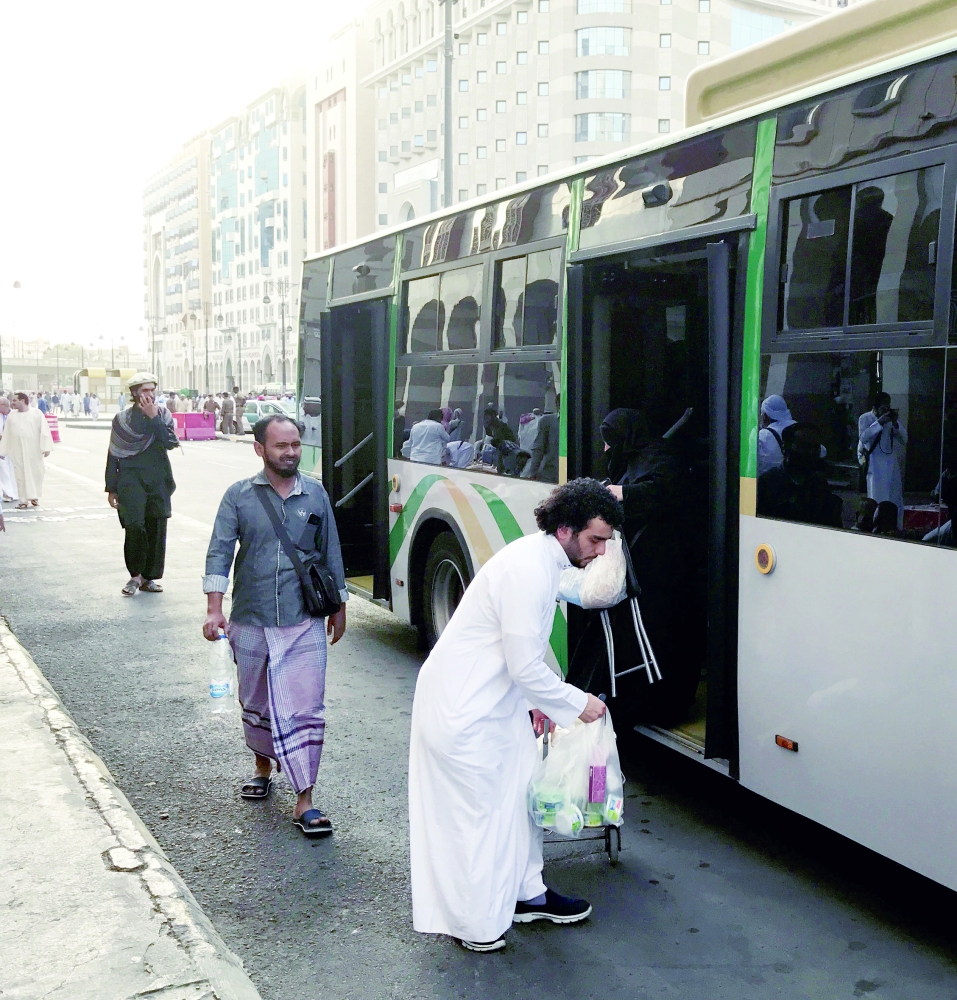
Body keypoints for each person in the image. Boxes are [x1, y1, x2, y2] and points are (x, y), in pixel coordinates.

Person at [409, 479, 620, 952]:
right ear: (565, 530)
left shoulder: (544, 560)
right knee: (479, 816)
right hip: (464, 710)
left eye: (606, 541)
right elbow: (524, 663)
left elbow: (519, 651)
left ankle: (527, 895)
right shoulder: (530, 569)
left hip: (491, 701)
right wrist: (573, 704)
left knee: (521, 795)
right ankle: (477, 925)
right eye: (595, 539)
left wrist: (537, 703)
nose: (601, 551)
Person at [203, 414, 348, 837]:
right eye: (281, 446)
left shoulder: (316, 495)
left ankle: (305, 798)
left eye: (295, 445)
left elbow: (330, 552)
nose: (290, 453)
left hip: (303, 619)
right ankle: (262, 767)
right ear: (259, 448)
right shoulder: (239, 496)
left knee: (305, 707)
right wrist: (215, 608)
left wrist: (338, 606)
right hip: (250, 618)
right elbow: (219, 552)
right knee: (258, 701)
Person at [105, 373, 179, 598]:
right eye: (144, 390)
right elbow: (113, 453)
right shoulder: (122, 419)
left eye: (152, 390)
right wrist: (111, 487)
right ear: (135, 393)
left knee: (156, 525)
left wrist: (153, 417)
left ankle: (149, 578)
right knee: (135, 525)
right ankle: (135, 575)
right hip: (130, 479)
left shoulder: (163, 415)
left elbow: (170, 443)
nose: (149, 394)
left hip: (158, 477)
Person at [758, 422, 843, 528]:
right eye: (804, 447)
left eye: (815, 447)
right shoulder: (766, 483)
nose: (811, 452)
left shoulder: (819, 484)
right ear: (785, 447)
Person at [859, 392, 907, 530]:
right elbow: (863, 438)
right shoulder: (865, 418)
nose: (886, 411)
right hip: (875, 466)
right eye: (882, 408)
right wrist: (879, 422)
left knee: (894, 498)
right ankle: (875, 527)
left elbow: (905, 439)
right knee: (876, 499)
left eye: (888, 407)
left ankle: (895, 527)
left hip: (891, 465)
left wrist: (896, 423)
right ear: (875, 407)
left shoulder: (890, 420)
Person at [0, 392, 53, 509]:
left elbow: (44, 431)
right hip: (17, 451)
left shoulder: (36, 413)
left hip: (34, 451)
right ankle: (23, 500)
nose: (12, 403)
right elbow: (7, 434)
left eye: (14, 400)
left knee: (35, 474)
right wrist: (2, 451)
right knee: (20, 476)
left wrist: (46, 448)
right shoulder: (12, 416)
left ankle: (34, 497)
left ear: (23, 401)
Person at [0, 397, 19, 503]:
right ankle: (8, 493)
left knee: (13, 470)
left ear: (4, 406)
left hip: (13, 447)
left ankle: (15, 493)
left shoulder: (15, 416)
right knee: (3, 470)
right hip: (1, 447)